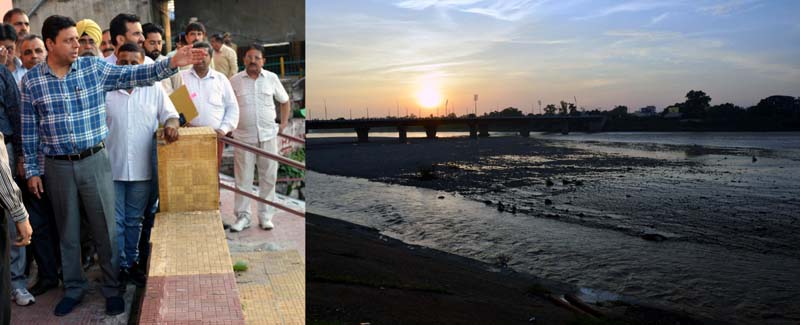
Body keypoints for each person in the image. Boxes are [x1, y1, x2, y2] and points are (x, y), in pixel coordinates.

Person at [19, 15, 203, 316]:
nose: (76, 45)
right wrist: (33, 171)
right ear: (50, 44)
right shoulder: (31, 81)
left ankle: (112, 288)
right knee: (68, 231)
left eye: (77, 39)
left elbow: (135, 75)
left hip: (95, 161)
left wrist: (171, 63)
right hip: (57, 166)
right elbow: (29, 129)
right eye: (68, 40)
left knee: (106, 228)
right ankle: (74, 288)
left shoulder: (93, 68)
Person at [105, 43, 179, 287]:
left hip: (142, 168)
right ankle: (118, 267)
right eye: (123, 62)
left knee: (134, 220)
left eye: (134, 63)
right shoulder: (105, 89)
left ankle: (131, 263)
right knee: (115, 222)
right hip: (110, 168)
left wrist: (171, 126)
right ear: (116, 63)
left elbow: (171, 114)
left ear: (142, 64)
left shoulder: (153, 87)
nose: (128, 67)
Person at [16, 34, 61, 298]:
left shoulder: (61, 78)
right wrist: (24, 160)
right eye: (27, 52)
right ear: (20, 57)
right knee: (40, 225)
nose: (33, 56)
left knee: (66, 225)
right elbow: (23, 127)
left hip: (61, 167)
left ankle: (70, 273)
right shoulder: (22, 83)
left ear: (47, 51)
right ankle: (48, 276)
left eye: (38, 51)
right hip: (35, 169)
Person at [229, 44, 289, 232]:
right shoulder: (234, 81)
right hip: (243, 137)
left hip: (268, 135)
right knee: (243, 179)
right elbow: (227, 105)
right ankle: (243, 217)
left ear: (263, 61)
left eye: (257, 57)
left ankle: (265, 216)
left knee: (269, 177)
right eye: (249, 57)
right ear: (244, 60)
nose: (253, 61)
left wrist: (283, 124)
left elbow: (285, 101)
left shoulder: (271, 78)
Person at [0, 23, 33, 307]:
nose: (5, 53)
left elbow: (15, 114)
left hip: (5, 151)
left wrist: (21, 155)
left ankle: (17, 283)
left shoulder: (4, 75)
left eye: (9, 48)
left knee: (12, 218)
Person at [179, 42, 238, 166]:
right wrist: (183, 124)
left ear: (211, 57)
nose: (200, 58)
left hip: (214, 138)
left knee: (211, 174)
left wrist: (223, 130)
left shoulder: (221, 79)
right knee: (187, 173)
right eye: (196, 55)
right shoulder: (181, 78)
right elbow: (174, 106)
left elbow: (232, 108)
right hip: (186, 137)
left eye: (204, 55)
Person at [142, 22, 181, 94]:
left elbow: (180, 90)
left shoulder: (170, 63)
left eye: (159, 43)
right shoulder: (138, 66)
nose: (157, 47)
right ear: (142, 43)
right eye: (152, 43)